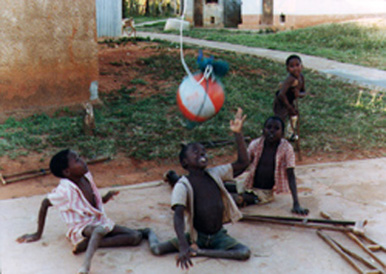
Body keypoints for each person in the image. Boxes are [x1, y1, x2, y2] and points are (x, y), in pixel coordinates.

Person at [16, 149, 150, 274]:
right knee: (98, 231)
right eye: (78, 160)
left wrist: (105, 198)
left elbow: (90, 202)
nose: (83, 161)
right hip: (81, 228)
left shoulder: (86, 177)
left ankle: (89, 244)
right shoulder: (65, 191)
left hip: (98, 220)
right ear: (67, 172)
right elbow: (45, 203)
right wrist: (37, 234)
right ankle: (85, 266)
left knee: (135, 237)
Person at [149, 108, 251, 269]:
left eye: (203, 151)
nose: (202, 153)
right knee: (157, 249)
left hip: (218, 235)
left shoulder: (215, 173)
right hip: (197, 237)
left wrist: (238, 133)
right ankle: (147, 233)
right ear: (184, 163)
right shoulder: (183, 185)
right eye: (195, 152)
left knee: (244, 252)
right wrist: (183, 245)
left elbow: (243, 163)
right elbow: (178, 216)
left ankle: (200, 252)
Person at [236, 116, 309, 215]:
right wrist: (238, 132)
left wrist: (296, 203)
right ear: (263, 130)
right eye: (269, 127)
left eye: (276, 128)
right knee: (221, 187)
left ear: (282, 133)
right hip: (247, 184)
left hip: (263, 193)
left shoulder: (286, 149)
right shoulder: (256, 144)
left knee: (235, 199)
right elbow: (243, 163)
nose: (272, 131)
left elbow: (291, 175)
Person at [273, 54, 306, 141]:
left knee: (294, 116)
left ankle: (289, 134)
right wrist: (288, 107)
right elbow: (281, 94)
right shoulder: (290, 79)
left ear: (301, 66)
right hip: (282, 102)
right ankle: (276, 136)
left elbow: (304, 92)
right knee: (280, 119)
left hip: (290, 101)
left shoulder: (301, 77)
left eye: (297, 65)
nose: (295, 68)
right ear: (287, 69)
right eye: (292, 66)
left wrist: (298, 94)